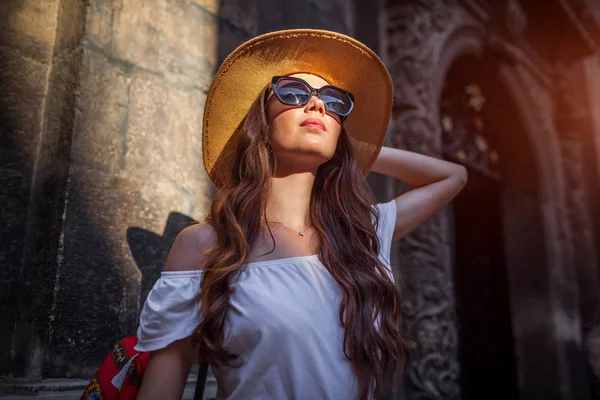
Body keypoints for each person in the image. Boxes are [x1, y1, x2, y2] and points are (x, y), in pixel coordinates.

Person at [134, 29, 467, 400]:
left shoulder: (361, 234)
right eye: (293, 93)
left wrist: (353, 145)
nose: (317, 105)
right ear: (260, 121)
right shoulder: (205, 243)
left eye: (335, 101)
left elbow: (453, 176)